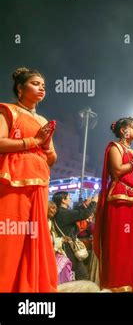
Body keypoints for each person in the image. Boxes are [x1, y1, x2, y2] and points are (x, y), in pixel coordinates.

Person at [0, 67, 58, 292]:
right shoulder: (8, 110)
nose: (41, 87)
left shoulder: (43, 120)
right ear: (20, 88)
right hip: (13, 181)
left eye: (43, 84)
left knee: (35, 236)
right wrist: (33, 141)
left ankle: (32, 288)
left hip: (40, 182)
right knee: (11, 235)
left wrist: (44, 145)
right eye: (35, 83)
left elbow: (51, 157)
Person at [93, 117, 133, 292]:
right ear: (123, 130)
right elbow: (117, 171)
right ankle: (119, 283)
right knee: (121, 242)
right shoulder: (115, 147)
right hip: (120, 199)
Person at [53, 192, 96, 280]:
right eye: (69, 197)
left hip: (64, 248)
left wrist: (85, 205)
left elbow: (75, 213)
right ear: (63, 200)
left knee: (72, 275)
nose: (70, 199)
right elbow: (85, 214)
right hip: (69, 249)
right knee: (81, 275)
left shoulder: (59, 212)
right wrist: (94, 202)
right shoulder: (63, 213)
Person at [47, 201, 74, 284]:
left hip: (53, 252)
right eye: (52, 208)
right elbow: (48, 241)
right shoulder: (42, 223)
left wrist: (62, 239)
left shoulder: (50, 222)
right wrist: (61, 240)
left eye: (55, 208)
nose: (55, 211)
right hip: (47, 255)